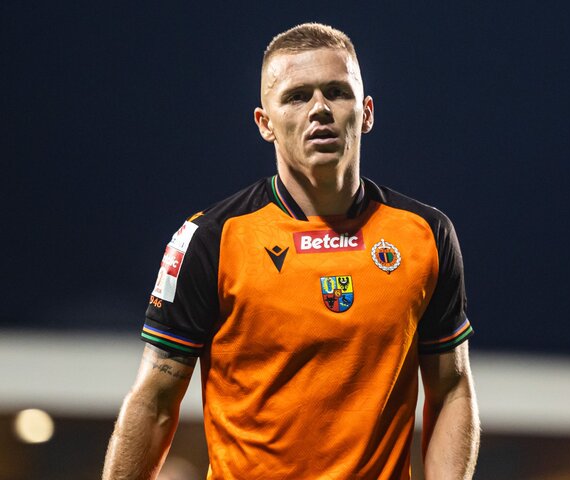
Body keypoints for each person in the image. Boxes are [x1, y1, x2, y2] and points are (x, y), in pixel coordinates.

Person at [102, 22, 480, 480]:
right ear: (265, 123)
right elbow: (154, 402)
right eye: (297, 97)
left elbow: (451, 389)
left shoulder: (426, 234)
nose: (319, 109)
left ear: (366, 112)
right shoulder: (210, 240)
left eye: (337, 92)